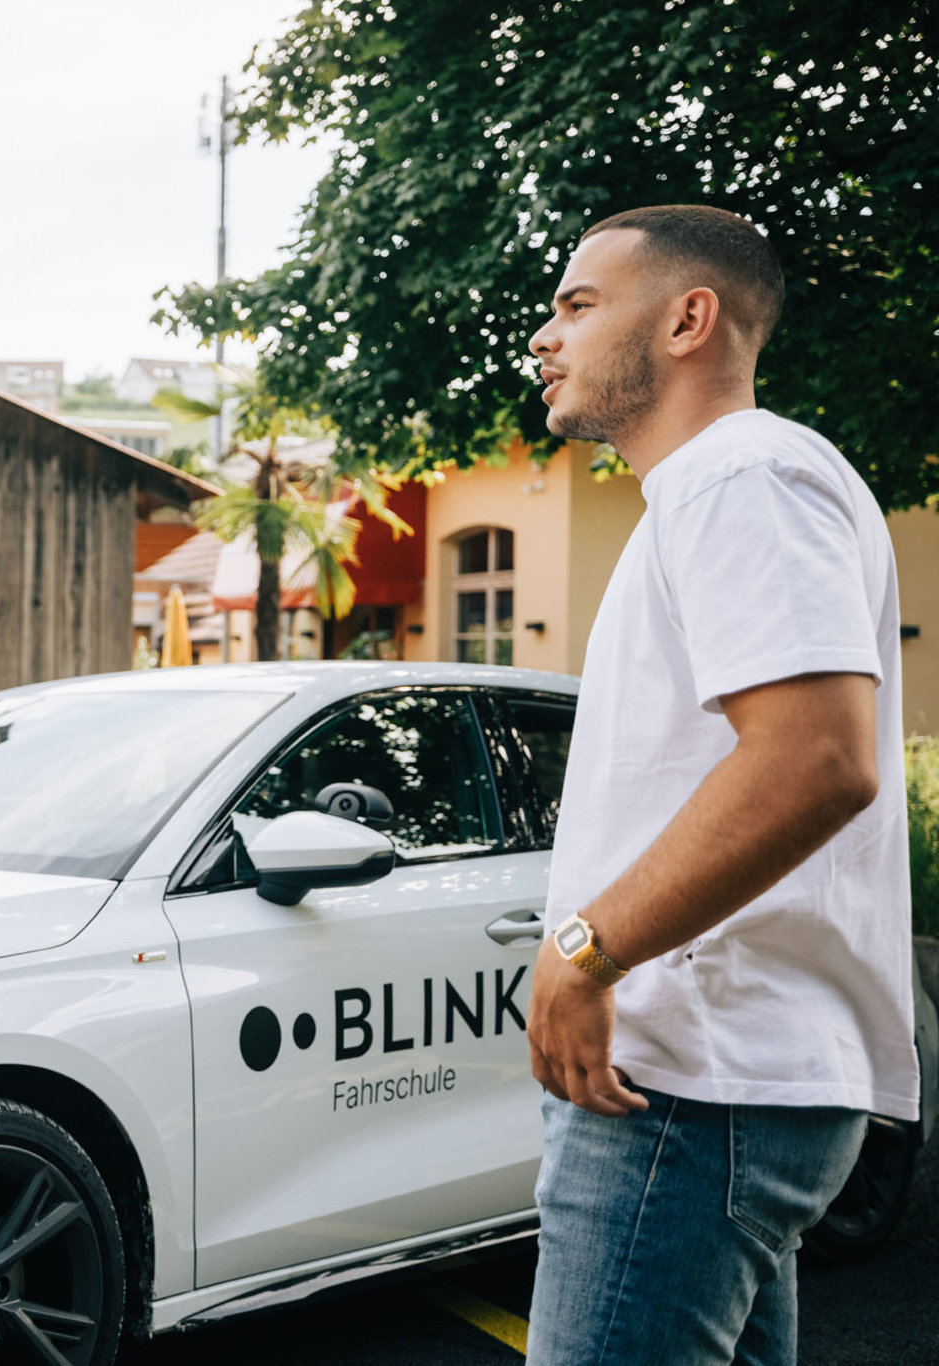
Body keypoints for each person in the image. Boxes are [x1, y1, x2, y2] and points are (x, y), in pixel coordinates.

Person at [521, 204, 917, 1365]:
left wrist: (583, 949)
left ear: (689, 317)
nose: (543, 337)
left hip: (690, 1094)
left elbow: (813, 757)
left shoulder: (738, 473)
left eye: (576, 304)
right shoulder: (714, 491)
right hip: (712, 1089)